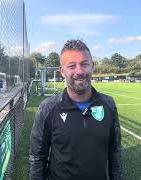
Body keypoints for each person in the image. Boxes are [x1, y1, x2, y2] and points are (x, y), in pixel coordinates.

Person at [29, 39, 122, 180]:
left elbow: (115, 152)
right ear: (62, 71)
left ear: (92, 67)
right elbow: (37, 159)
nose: (79, 71)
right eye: (72, 66)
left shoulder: (108, 104)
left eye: (84, 64)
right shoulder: (48, 108)